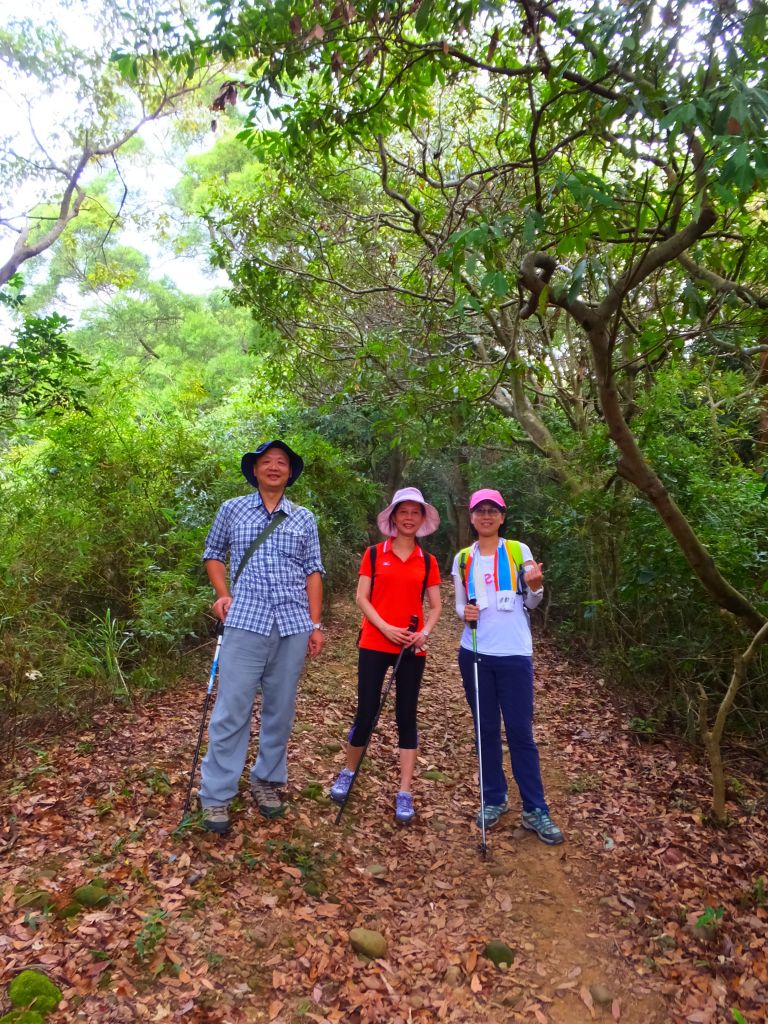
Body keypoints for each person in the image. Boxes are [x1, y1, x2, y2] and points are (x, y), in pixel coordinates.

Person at [198, 439, 325, 833]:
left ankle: (267, 780)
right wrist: (223, 594)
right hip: (246, 622)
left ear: (290, 473)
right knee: (231, 711)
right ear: (254, 470)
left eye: (281, 463)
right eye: (266, 462)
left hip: (292, 623)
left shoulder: (303, 517)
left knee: (280, 711)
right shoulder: (232, 509)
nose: (274, 467)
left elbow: (313, 571)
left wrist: (315, 624)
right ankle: (217, 795)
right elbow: (213, 553)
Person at [452, 488, 563, 845]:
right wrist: (463, 613)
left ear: (502, 517)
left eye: (492, 511)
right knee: (484, 730)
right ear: (471, 517)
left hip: (514, 653)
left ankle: (535, 809)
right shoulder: (463, 559)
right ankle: (494, 798)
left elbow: (531, 601)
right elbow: (458, 605)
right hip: (475, 652)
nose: (486, 516)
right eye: (479, 511)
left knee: (519, 732)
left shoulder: (518, 551)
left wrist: (537, 586)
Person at [329, 486, 442, 824]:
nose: (409, 517)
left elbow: (435, 606)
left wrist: (424, 633)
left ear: (422, 519)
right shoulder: (375, 554)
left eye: (415, 512)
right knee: (366, 710)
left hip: (411, 647)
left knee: (406, 716)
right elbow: (362, 597)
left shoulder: (429, 561)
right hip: (375, 642)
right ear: (393, 517)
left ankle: (405, 791)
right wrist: (385, 628)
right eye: (403, 511)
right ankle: (348, 771)